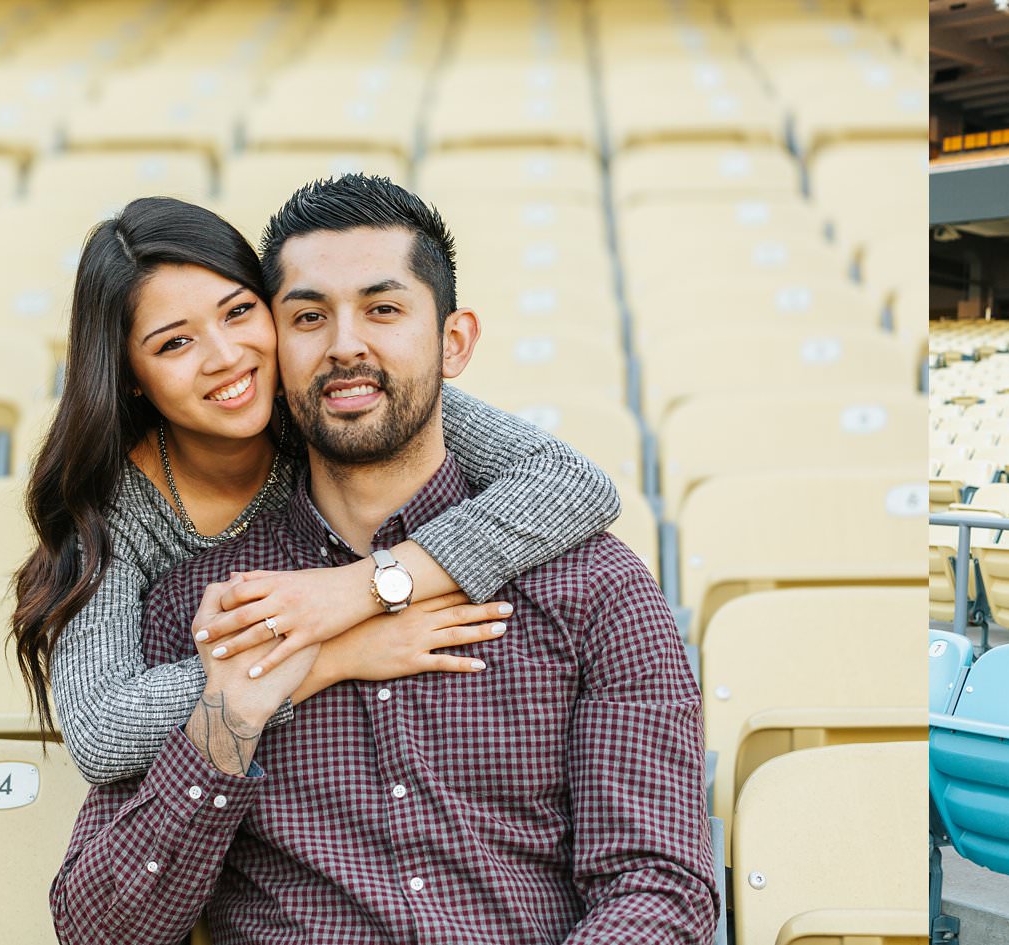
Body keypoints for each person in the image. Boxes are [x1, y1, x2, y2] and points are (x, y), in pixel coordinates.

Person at [48, 175, 716, 944]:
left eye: (384, 308)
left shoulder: (594, 587)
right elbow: (100, 931)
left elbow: (660, 890)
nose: (344, 345)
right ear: (282, 346)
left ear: (454, 342)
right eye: (308, 317)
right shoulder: (195, 613)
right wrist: (226, 721)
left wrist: (363, 590)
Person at [8, 197, 624, 786]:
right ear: (130, 376)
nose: (225, 356)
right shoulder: (110, 507)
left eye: (238, 313)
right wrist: (335, 652)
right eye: (175, 342)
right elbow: (102, 730)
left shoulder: (334, 405)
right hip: (244, 779)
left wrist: (356, 590)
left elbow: (571, 482)